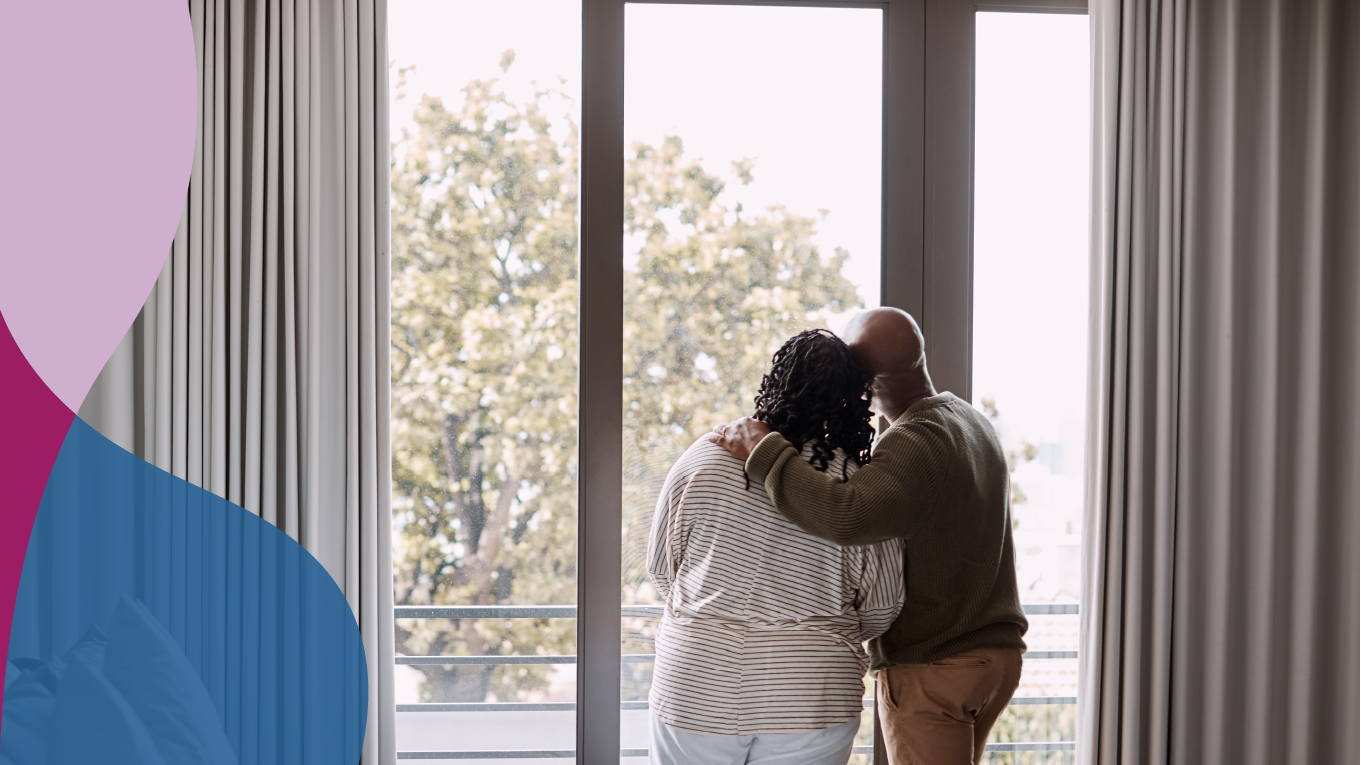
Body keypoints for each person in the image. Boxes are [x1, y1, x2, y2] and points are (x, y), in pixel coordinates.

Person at [709, 307, 1028, 765]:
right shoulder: (969, 420)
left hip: (937, 665)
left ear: (865, 385)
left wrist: (765, 451)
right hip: (993, 657)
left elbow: (847, 514)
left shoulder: (918, 440)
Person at [646, 329, 904, 765]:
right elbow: (881, 608)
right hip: (811, 696)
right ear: (855, 398)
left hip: (695, 684)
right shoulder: (855, 486)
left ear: (774, 380)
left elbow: (661, 569)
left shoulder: (705, 458)